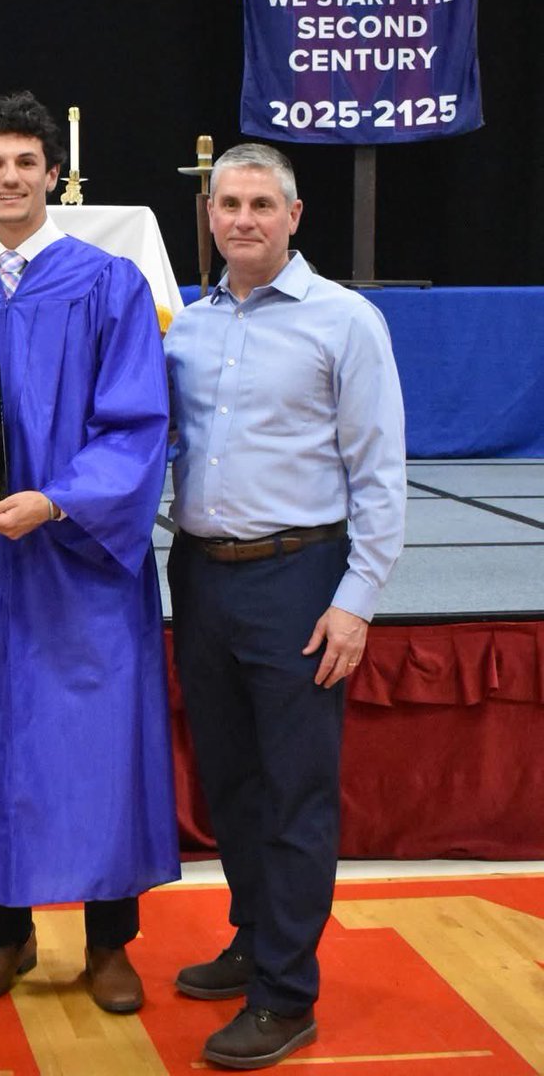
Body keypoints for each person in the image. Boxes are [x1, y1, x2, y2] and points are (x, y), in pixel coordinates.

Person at [0, 91, 179, 1014]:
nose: (8, 178)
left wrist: (56, 501)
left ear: (51, 175)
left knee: (98, 742)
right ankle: (7, 935)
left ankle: (110, 941)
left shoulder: (107, 281)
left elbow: (137, 424)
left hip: (81, 559)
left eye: (24, 163)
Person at [164, 142, 406, 1070]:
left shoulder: (346, 322)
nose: (243, 220)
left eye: (263, 204)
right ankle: (255, 935)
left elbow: (380, 472)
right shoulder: (185, 326)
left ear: (294, 216)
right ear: (212, 214)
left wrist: (357, 603)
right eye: (229, 204)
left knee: (296, 791)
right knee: (230, 780)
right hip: (203, 574)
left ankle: (287, 994)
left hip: (300, 579)